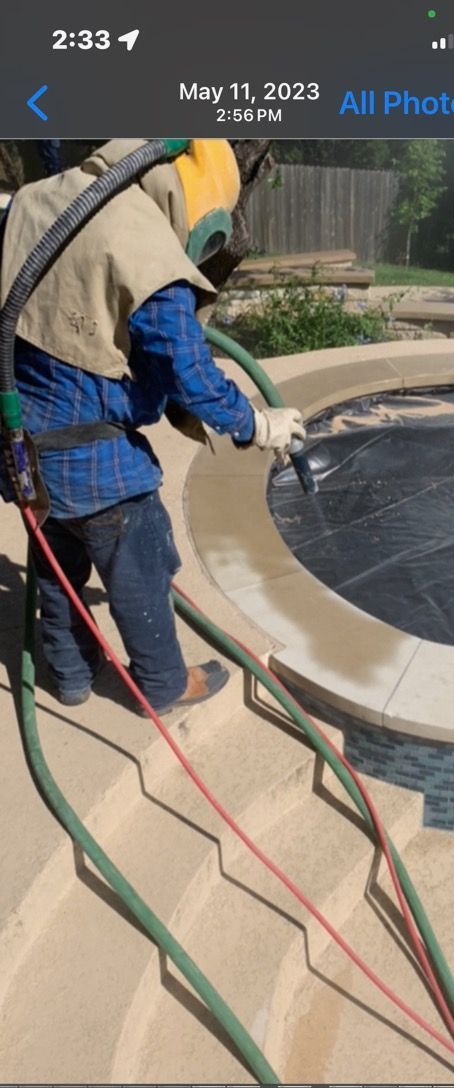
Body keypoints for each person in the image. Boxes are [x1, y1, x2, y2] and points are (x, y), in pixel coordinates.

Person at [0, 139, 305, 713]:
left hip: (26, 456)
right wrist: (257, 425)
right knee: (141, 568)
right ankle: (163, 685)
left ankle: (70, 675)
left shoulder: (34, 201)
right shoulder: (142, 241)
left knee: (58, 572)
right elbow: (186, 369)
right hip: (103, 469)